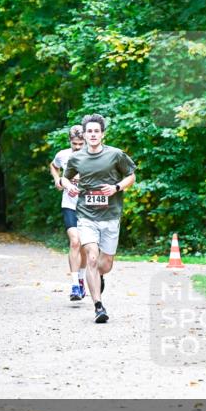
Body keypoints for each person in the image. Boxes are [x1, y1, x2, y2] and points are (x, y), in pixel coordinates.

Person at [61, 114, 136, 323]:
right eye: (89, 131)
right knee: (92, 257)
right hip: (86, 215)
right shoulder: (77, 158)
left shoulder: (116, 155)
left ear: (102, 134)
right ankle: (98, 306)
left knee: (106, 264)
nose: (93, 135)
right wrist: (69, 187)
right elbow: (65, 178)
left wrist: (116, 187)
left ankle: (98, 277)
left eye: (96, 131)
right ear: (84, 135)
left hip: (111, 215)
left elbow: (131, 175)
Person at [50, 125, 88, 301]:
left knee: (85, 247)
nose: (78, 147)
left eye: (81, 143)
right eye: (75, 144)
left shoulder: (94, 156)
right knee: (75, 241)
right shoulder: (62, 155)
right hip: (70, 204)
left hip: (89, 207)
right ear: (70, 141)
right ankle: (74, 285)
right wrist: (58, 179)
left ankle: (81, 279)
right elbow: (53, 166)